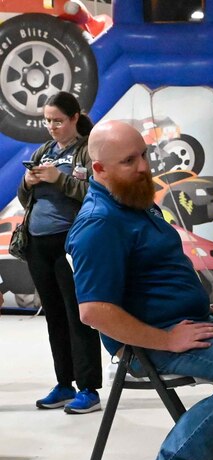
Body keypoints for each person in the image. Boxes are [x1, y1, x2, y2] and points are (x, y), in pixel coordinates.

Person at [66, 120, 213, 460]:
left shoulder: (132, 201)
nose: (143, 167)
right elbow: (94, 311)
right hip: (149, 342)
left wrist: (201, 305)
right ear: (99, 170)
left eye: (143, 154)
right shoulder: (99, 223)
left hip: (188, 322)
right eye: (129, 160)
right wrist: (167, 339)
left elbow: (150, 278)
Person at [17, 92, 103, 413]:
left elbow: (97, 193)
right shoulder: (44, 151)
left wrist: (60, 179)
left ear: (74, 119)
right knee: (54, 316)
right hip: (38, 245)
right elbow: (27, 199)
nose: (51, 127)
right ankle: (64, 383)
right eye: (47, 121)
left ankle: (89, 388)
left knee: (79, 316)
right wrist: (28, 181)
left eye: (58, 121)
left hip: (71, 245)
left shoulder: (88, 151)